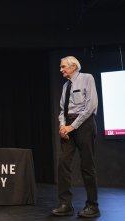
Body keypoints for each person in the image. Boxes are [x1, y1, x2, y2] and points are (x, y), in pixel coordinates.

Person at [51, 56, 100, 218]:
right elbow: (61, 109)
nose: (61, 69)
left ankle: (92, 205)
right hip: (68, 126)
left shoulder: (87, 78)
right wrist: (62, 125)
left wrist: (72, 126)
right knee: (63, 163)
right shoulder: (66, 85)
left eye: (63, 66)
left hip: (84, 124)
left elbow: (90, 105)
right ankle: (65, 204)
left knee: (87, 165)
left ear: (73, 67)